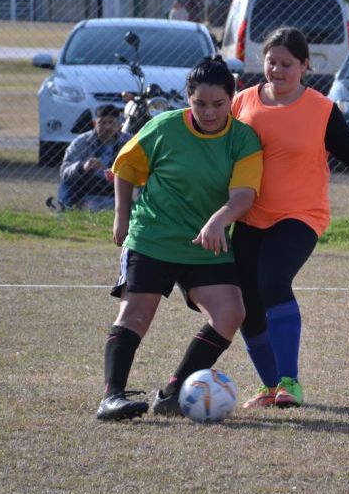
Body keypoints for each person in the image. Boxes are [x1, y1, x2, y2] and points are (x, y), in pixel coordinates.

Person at [230, 26, 349, 409]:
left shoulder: (321, 109)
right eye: (271, 62)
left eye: (287, 64)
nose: (277, 70)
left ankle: (290, 382)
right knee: (245, 298)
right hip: (249, 216)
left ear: (305, 65)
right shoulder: (242, 102)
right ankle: (269, 385)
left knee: (273, 279)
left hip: (300, 215)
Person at [96, 57, 264, 421]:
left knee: (231, 313)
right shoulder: (164, 128)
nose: (208, 111)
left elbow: (243, 196)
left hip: (205, 243)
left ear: (231, 100)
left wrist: (219, 220)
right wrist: (121, 217)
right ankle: (112, 397)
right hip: (153, 237)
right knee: (136, 316)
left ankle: (174, 393)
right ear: (188, 97)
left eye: (218, 104)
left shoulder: (243, 139)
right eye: (200, 103)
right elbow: (124, 167)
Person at [51, 105, 130, 211]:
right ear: (94, 124)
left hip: (117, 183)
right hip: (88, 182)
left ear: (119, 126)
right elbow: (64, 171)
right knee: (67, 184)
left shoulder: (129, 142)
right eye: (102, 123)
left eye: (111, 123)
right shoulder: (81, 142)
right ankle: (64, 207)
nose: (107, 127)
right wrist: (82, 167)